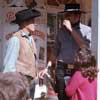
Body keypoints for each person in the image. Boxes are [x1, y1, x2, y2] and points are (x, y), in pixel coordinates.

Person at [3, 8, 43, 100]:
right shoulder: (15, 39)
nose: (35, 23)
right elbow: (9, 69)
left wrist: (37, 73)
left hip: (30, 84)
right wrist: (15, 90)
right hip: (20, 86)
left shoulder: (30, 38)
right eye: (32, 21)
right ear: (25, 23)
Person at [54, 3, 91, 100]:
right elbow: (56, 50)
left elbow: (84, 47)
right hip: (62, 67)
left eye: (78, 13)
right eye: (72, 14)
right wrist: (49, 66)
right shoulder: (61, 31)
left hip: (78, 68)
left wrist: (71, 29)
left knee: (75, 95)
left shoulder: (87, 30)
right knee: (62, 96)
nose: (77, 16)